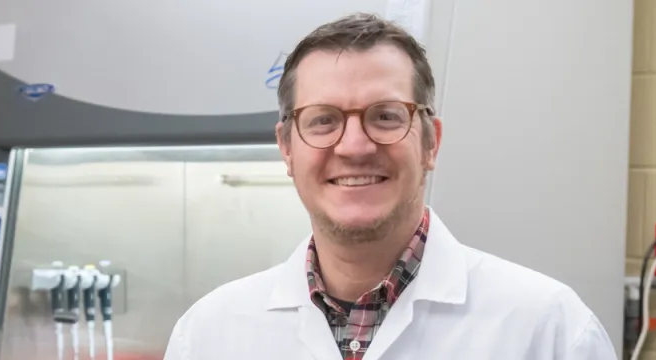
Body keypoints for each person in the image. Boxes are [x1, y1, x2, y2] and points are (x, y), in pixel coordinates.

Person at [163, 13, 617, 360]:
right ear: (287, 147)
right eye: (323, 120)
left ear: (430, 143)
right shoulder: (208, 335)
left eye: (386, 116)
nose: (355, 146)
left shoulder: (548, 330)